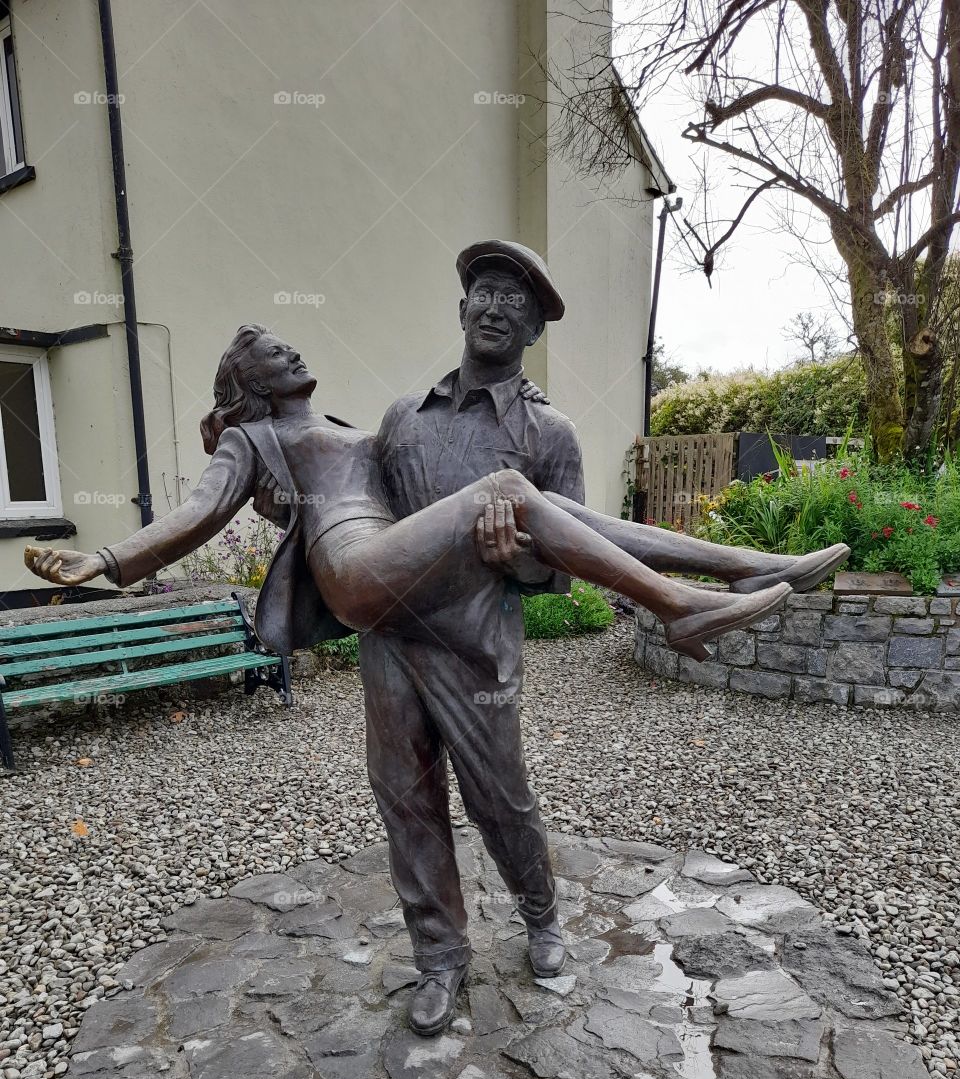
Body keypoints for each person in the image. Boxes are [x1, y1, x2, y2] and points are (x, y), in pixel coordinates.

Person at [26, 243, 848, 1035]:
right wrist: (108, 556)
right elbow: (212, 509)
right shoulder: (387, 423)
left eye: (515, 301)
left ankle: (734, 574)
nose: (496, 307)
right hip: (385, 624)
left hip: (476, 643)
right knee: (407, 800)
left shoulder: (545, 433)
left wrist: (513, 555)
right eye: (484, 293)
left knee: (503, 796)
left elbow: (553, 565)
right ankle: (441, 959)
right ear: (461, 309)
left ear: (533, 328)